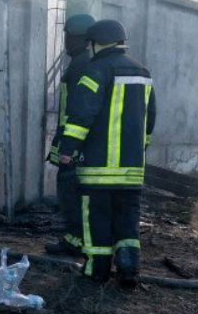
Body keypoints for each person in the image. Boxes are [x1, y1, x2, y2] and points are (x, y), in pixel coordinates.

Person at [56, 19, 156, 287]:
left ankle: (96, 271)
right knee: (127, 220)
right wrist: (139, 151)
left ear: (97, 42)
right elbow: (150, 120)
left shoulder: (95, 71)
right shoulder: (142, 73)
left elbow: (81, 116)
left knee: (96, 218)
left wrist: (67, 150)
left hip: (98, 169)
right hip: (132, 169)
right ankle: (128, 268)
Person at [45, 13, 96, 256]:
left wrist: (69, 147)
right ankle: (74, 238)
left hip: (75, 146)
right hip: (71, 141)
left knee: (72, 194)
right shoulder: (80, 62)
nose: (65, 41)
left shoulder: (82, 65)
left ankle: (76, 241)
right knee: (69, 193)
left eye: (68, 37)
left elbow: (80, 112)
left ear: (82, 39)